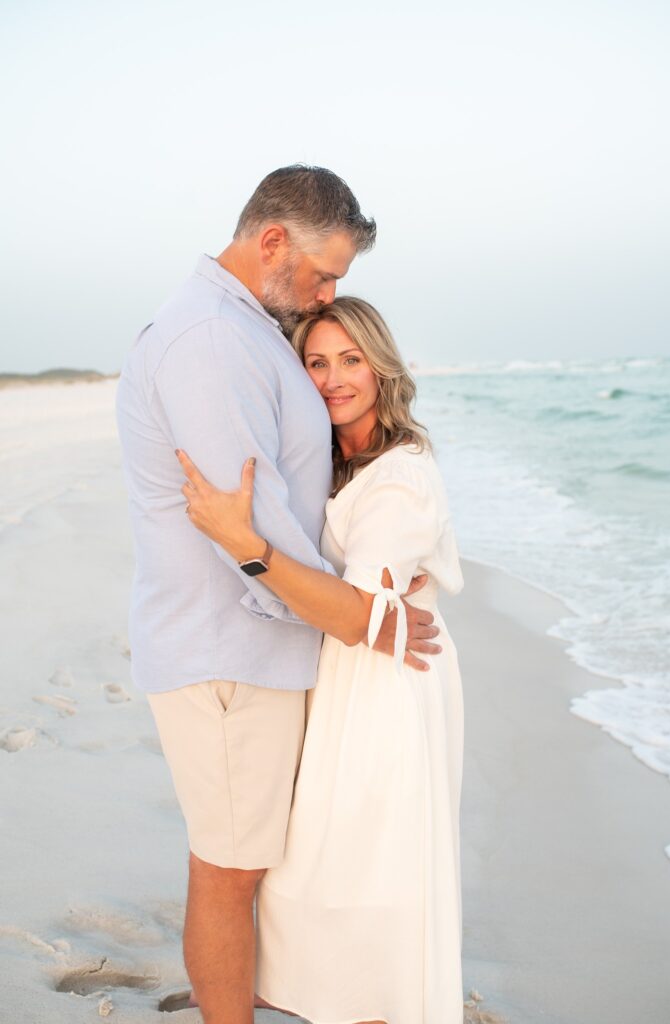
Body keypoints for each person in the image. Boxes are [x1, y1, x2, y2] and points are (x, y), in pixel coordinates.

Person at [115, 166, 442, 1024]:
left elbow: (293, 499)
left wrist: (371, 543)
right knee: (230, 872)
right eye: (324, 273)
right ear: (272, 243)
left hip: (262, 649)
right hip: (233, 649)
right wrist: (367, 616)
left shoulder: (246, 327)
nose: (328, 292)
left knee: (252, 863)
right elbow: (246, 536)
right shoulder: (212, 342)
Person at [177, 296, 465, 1024]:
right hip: (343, 670)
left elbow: (356, 616)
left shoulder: (400, 476)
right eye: (316, 361)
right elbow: (350, 602)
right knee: (313, 867)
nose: (334, 378)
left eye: (351, 360)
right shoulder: (333, 460)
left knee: (367, 870)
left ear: (381, 367)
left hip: (385, 686)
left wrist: (244, 545)